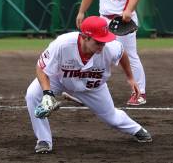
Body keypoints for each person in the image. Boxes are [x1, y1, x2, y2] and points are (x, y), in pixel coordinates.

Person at [25, 16, 153, 154]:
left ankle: (137, 129)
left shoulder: (110, 47)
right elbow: (41, 67)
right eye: (98, 42)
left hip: (92, 86)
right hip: (59, 79)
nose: (102, 45)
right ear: (84, 37)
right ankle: (44, 140)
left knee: (111, 118)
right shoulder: (62, 44)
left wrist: (130, 77)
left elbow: (122, 54)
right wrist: (47, 93)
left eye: (104, 41)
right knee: (32, 95)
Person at [76, 0, 147, 106]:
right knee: (92, 51)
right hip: (103, 20)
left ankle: (140, 92)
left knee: (129, 55)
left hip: (123, 21)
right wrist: (81, 12)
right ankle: (86, 90)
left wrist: (129, 10)